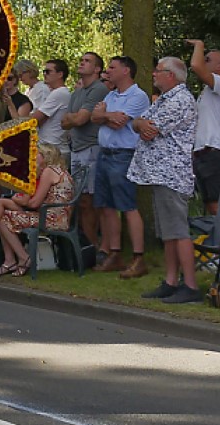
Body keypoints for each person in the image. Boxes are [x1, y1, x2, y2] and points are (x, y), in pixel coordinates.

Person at [129, 56, 202, 303]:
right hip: (160, 174)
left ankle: (190, 285)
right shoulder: (165, 99)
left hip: (172, 175)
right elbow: (138, 123)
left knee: (178, 232)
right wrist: (140, 124)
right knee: (169, 233)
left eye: (158, 70)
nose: (153, 74)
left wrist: (141, 125)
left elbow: (150, 129)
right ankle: (171, 281)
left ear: (171, 75)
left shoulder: (180, 100)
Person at [91, 55, 151, 277]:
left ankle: (138, 257)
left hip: (123, 156)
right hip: (105, 155)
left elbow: (120, 122)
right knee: (106, 206)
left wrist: (103, 115)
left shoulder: (138, 96)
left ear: (126, 70)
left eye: (112, 67)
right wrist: (107, 115)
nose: (107, 71)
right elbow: (95, 117)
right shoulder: (111, 94)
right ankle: (114, 253)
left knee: (127, 206)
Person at [0, 145, 73, 276]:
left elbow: (34, 204)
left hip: (51, 219)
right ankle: (11, 261)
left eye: (37, 155)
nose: (33, 158)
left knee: (3, 219)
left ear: (46, 156)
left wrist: (18, 197)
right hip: (55, 215)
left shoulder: (49, 171)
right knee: (4, 213)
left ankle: (21, 258)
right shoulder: (59, 170)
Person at [60, 51, 108, 246]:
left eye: (87, 61)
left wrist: (75, 117)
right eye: (81, 60)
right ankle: (86, 246)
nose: (81, 63)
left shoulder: (98, 89)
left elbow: (79, 119)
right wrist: (76, 118)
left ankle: (94, 245)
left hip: (91, 148)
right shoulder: (77, 93)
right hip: (76, 149)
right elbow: (64, 122)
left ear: (97, 69)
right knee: (80, 200)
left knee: (90, 200)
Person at [185, 38, 220, 213]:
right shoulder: (207, 91)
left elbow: (196, 65)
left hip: (215, 152)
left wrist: (199, 45)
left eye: (207, 59)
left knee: (218, 205)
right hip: (203, 154)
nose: (203, 61)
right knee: (210, 204)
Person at [34, 61, 72, 159]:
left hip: (53, 150)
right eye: (44, 71)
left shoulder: (59, 93)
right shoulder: (57, 92)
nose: (44, 74)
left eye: (48, 71)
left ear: (60, 74)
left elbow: (35, 118)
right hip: (51, 148)